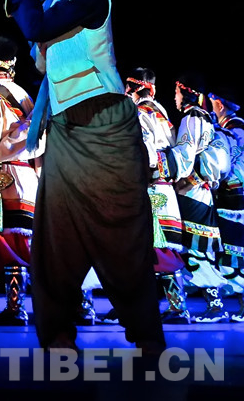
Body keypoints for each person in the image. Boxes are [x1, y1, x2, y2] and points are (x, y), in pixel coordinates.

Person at [0, 0, 166, 353]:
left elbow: (37, 28)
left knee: (121, 235)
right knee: (56, 236)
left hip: (104, 120)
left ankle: (147, 337)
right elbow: (38, 42)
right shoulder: (45, 2)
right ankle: (57, 338)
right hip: (65, 126)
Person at [98, 67, 190, 325]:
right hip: (164, 187)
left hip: (146, 188)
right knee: (161, 250)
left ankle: (139, 307)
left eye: (128, 88)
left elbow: (144, 150)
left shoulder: (138, 113)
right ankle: (174, 306)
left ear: (134, 89)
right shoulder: (161, 113)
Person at [0, 36, 42, 327]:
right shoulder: (25, 96)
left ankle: (15, 309)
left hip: (4, 177)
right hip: (28, 175)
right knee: (25, 242)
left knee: (10, 242)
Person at [155, 72, 231, 323]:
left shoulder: (192, 117)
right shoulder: (206, 117)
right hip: (201, 191)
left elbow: (185, 154)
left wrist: (159, 162)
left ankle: (206, 307)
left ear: (185, 91)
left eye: (177, 92)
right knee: (196, 250)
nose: (175, 97)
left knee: (191, 250)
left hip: (191, 190)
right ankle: (199, 306)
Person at [208, 85, 244, 323]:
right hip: (238, 197)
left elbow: (227, 167)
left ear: (219, 105)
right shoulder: (238, 128)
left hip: (233, 198)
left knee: (233, 254)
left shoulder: (230, 131)